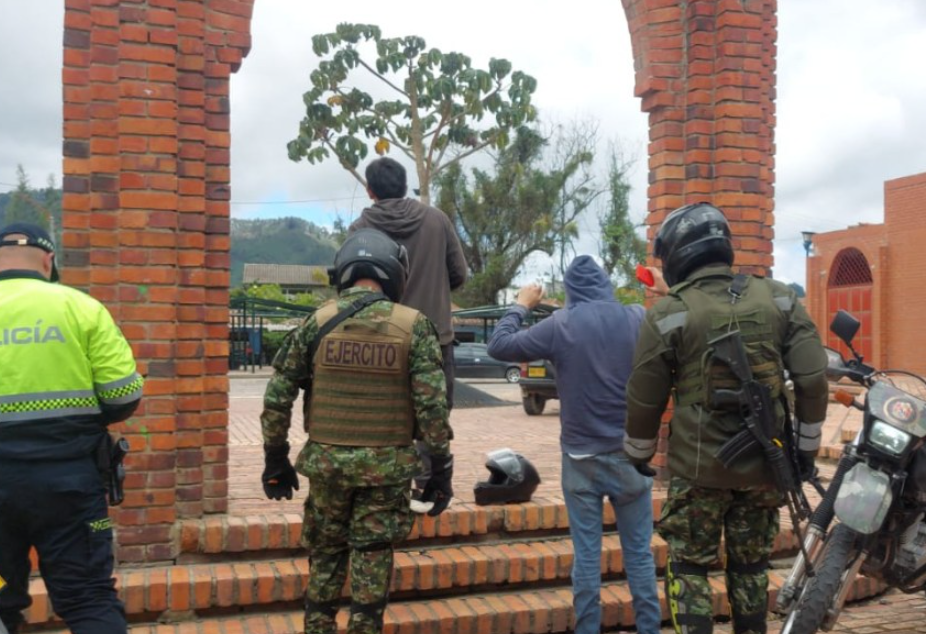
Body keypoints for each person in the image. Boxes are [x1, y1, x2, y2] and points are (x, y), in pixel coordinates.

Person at [0, 223, 142, 634]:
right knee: (88, 596)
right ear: (48, 261)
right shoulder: (80, 307)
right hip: (70, 478)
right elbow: (123, 395)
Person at [624, 203, 829, 634]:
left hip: (697, 471)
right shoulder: (778, 298)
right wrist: (805, 451)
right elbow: (812, 380)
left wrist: (638, 453)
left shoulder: (669, 312)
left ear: (679, 253)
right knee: (751, 564)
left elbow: (645, 398)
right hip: (765, 464)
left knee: (689, 565)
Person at [260, 229, 454, 634]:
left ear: (345, 273)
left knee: (327, 552)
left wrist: (275, 459)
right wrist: (439, 468)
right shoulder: (414, 326)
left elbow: (278, 395)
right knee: (372, 555)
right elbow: (432, 406)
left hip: (328, 468)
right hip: (386, 471)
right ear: (394, 274)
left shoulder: (316, 322)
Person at [487, 255, 666, 634]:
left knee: (586, 557)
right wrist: (668, 290)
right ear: (604, 283)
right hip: (631, 457)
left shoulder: (561, 324)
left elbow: (498, 345)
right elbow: (683, 327)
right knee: (639, 555)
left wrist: (521, 304)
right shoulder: (637, 317)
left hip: (581, 460)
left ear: (570, 291)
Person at [349, 157, 468, 408]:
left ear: (370, 191)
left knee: (384, 423)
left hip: (380, 341)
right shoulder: (438, 221)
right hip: (435, 339)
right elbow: (459, 273)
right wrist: (434, 290)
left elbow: (351, 288)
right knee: (433, 428)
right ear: (404, 187)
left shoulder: (360, 229)